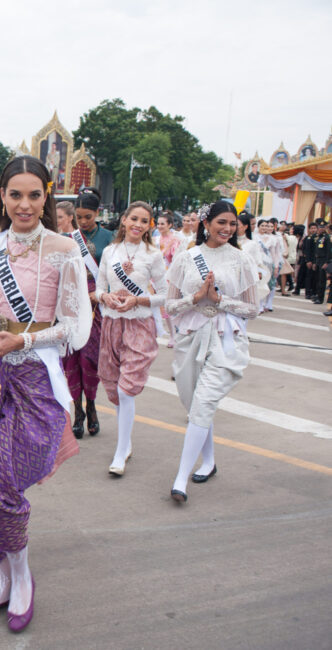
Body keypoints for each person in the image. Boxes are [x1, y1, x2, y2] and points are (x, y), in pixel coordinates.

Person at [0, 156, 91, 632]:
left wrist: (23, 341)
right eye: (15, 195)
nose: (24, 205)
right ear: (2, 197)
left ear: (46, 196)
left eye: (34, 195)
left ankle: (24, 579)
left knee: (2, 488)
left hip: (35, 379)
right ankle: (4, 579)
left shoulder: (64, 250)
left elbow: (75, 328)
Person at [165, 202, 259, 503]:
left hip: (225, 340)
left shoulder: (241, 259)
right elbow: (170, 306)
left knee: (204, 402)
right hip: (190, 338)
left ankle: (180, 479)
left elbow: (253, 308)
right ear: (206, 223)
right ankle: (209, 461)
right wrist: (196, 298)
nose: (228, 229)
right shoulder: (186, 257)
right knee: (195, 405)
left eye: (232, 224)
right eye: (221, 222)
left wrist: (220, 301)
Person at [94, 202, 167, 476]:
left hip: (140, 324)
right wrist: (106, 297)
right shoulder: (110, 252)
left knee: (126, 389)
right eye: (133, 218)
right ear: (124, 220)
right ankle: (125, 443)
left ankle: (120, 450)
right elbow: (99, 288)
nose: (138, 224)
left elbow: (164, 294)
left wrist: (137, 300)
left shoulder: (153, 255)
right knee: (115, 388)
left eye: (144, 221)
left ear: (149, 226)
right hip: (112, 323)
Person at [64, 186, 110, 438]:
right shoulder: (68, 239)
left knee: (90, 359)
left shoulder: (110, 238)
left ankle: (91, 405)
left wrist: (101, 293)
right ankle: (78, 412)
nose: (82, 222)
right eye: (78, 217)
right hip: (72, 302)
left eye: (88, 217)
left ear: (97, 213)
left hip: (97, 305)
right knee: (72, 359)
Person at [154, 212, 181, 346]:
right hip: (154, 277)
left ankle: (173, 335)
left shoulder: (175, 240)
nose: (159, 226)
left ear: (169, 225)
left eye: (162, 224)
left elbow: (176, 259)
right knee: (155, 307)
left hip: (169, 276)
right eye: (158, 223)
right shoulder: (154, 239)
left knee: (168, 307)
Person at [238, 212, 270, 308]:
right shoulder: (228, 242)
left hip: (246, 278)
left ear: (245, 227)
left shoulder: (252, 244)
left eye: (237, 225)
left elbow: (258, 262)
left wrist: (258, 273)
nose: (234, 227)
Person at [256, 219, 283, 312]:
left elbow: (275, 254)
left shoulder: (273, 239)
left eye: (266, 226)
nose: (265, 227)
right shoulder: (254, 237)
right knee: (260, 283)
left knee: (269, 284)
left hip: (269, 263)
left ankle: (268, 303)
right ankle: (260, 305)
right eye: (262, 225)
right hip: (258, 263)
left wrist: (276, 266)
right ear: (258, 226)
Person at [314, 220, 331, 307]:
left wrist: (326, 262)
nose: (320, 229)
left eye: (322, 227)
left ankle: (320, 298)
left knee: (322, 280)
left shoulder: (326, 238)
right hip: (318, 260)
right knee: (317, 279)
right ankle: (317, 295)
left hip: (323, 260)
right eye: (319, 227)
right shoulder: (319, 237)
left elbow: (328, 251)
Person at [299, 222, 318, 300]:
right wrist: (308, 260)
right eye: (312, 228)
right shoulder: (308, 238)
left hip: (316, 260)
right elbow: (306, 250)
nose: (313, 230)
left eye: (315, 228)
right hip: (309, 260)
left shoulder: (319, 237)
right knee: (309, 277)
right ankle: (308, 293)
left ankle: (314, 292)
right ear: (309, 229)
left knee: (315, 278)